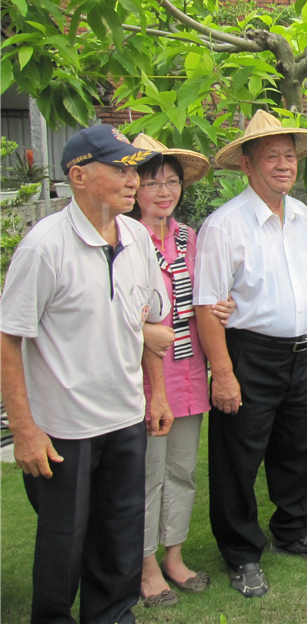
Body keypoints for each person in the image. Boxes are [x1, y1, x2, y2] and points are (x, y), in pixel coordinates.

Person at [0, 125, 171, 624]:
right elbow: (9, 340)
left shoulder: (137, 236)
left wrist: (156, 393)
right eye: (119, 168)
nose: (132, 178)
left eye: (132, 168)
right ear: (78, 175)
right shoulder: (44, 248)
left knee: (120, 535)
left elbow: (145, 317)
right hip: (63, 431)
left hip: (124, 418)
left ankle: (113, 616)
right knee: (63, 544)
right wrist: (25, 431)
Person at [195, 110, 307, 600]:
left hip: (300, 351)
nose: (284, 165)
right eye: (271, 156)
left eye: (289, 156)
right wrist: (224, 373)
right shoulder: (224, 225)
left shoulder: (301, 216)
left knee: (295, 447)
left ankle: (294, 529)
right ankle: (241, 553)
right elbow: (206, 307)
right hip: (248, 353)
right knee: (239, 456)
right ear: (247, 164)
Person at [127, 134, 235, 607]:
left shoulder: (189, 238)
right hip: (143, 377)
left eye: (171, 182)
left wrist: (222, 305)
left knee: (182, 470)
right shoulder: (123, 239)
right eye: (152, 183)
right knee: (147, 474)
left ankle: (174, 555)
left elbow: (206, 296)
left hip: (188, 371)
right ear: (133, 188)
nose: (163, 191)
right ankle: (144, 564)